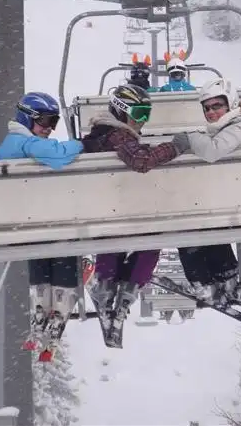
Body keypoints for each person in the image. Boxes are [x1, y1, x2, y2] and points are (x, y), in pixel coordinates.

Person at [81, 84, 189, 347]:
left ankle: (110, 289)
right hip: (118, 211)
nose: (142, 121)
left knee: (120, 244)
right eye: (139, 113)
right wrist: (175, 147)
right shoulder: (117, 135)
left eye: (146, 114)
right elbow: (141, 161)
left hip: (106, 209)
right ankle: (122, 293)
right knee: (148, 245)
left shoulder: (102, 134)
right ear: (121, 111)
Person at [0, 92, 85, 354]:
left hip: (16, 223)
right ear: (27, 118)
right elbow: (59, 155)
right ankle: (63, 290)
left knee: (45, 238)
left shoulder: (14, 144)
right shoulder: (22, 142)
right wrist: (80, 144)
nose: (49, 129)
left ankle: (44, 297)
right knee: (65, 237)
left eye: (54, 122)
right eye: (44, 121)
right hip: (24, 222)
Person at [168, 79, 241, 307]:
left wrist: (189, 137)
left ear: (231, 104)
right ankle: (223, 277)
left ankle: (204, 283)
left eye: (217, 106)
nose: (211, 112)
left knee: (189, 227)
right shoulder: (238, 126)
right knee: (204, 220)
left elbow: (212, 151)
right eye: (206, 108)